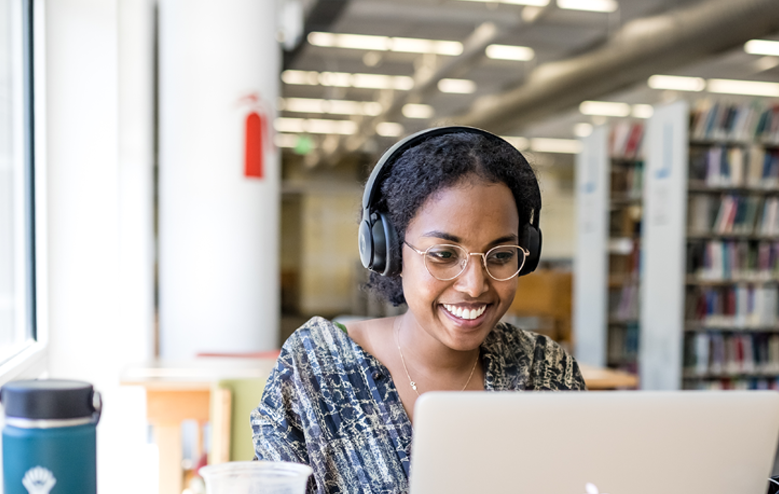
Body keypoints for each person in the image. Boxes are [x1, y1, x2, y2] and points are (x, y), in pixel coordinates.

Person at [251, 127, 586, 493]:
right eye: (444, 255)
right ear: (390, 253)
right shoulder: (315, 367)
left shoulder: (546, 370)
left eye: (501, 255)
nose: (474, 285)